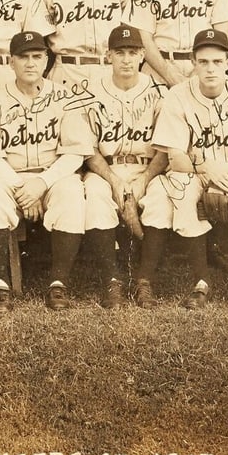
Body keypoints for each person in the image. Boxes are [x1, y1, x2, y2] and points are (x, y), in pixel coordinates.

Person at [0, 31, 95, 312]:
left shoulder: (64, 96)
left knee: (72, 190)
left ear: (46, 60)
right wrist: (21, 187)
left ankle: (58, 283)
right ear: (11, 61)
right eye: (23, 57)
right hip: (8, 175)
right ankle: (0, 285)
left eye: (37, 56)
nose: (30, 63)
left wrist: (41, 183)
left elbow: (75, 151)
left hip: (51, 175)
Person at [149, 29, 228, 309]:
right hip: (193, 171)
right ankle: (201, 282)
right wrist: (206, 168)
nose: (210, 68)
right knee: (182, 187)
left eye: (217, 61)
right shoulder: (177, 95)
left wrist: (222, 171)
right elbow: (175, 157)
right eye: (204, 62)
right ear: (193, 62)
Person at [80, 25, 169, 308]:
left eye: (133, 52)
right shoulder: (91, 91)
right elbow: (88, 149)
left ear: (143, 55)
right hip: (105, 169)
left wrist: (143, 179)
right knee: (95, 195)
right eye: (120, 52)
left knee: (162, 197)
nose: (127, 59)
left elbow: (166, 148)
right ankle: (112, 280)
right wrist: (114, 181)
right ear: (109, 56)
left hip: (148, 167)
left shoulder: (159, 91)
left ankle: (144, 280)